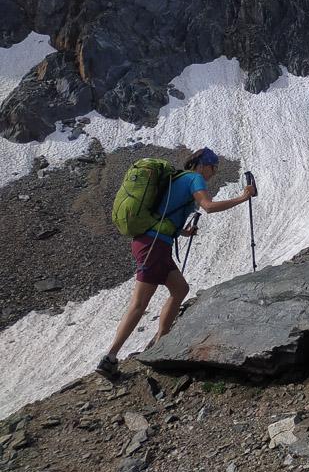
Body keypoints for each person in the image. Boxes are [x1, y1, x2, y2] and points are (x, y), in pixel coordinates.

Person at [95, 147, 256, 378]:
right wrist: (243, 197)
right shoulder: (195, 178)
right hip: (154, 246)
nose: (213, 173)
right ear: (202, 165)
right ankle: (109, 358)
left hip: (154, 243)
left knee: (180, 289)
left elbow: (163, 213)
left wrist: (181, 231)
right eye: (213, 167)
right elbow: (208, 207)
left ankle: (161, 342)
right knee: (139, 304)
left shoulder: (178, 178)